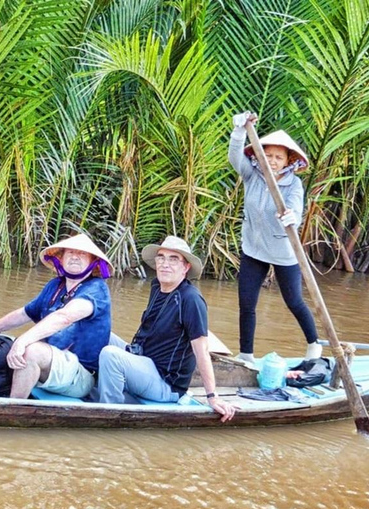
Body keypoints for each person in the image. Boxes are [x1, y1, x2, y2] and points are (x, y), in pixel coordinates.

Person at [97, 236, 238, 422]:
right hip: (143, 360)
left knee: (110, 355)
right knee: (100, 333)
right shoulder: (157, 286)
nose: (165, 264)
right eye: (161, 257)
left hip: (165, 383)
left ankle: (108, 415)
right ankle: (91, 384)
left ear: (185, 267)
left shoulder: (191, 300)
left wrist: (212, 396)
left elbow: (202, 350)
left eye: (173, 259)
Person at [229, 112, 321, 364]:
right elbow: (234, 157)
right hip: (254, 249)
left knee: (294, 301)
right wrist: (238, 132)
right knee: (246, 303)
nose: (272, 161)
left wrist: (291, 217)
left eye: (278, 157)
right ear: (259, 154)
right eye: (267, 155)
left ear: (288, 160)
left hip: (283, 252)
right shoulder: (252, 175)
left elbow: (294, 209)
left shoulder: (294, 185)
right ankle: (246, 354)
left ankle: (314, 344)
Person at [0, 234, 112, 399]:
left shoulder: (97, 289)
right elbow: (24, 313)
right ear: (61, 258)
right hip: (52, 364)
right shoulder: (55, 286)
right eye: (70, 252)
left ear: (92, 262)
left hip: (80, 375)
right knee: (2, 341)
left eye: (82, 254)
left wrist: (23, 341)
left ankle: (13, 409)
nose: (75, 257)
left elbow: (65, 316)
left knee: (31, 350)